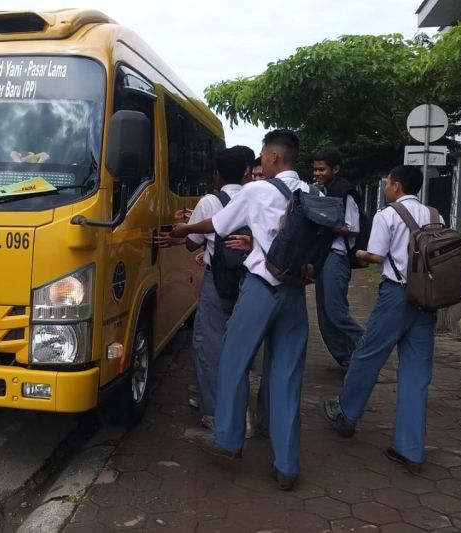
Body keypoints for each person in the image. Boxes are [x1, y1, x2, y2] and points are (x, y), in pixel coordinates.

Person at [170, 129, 311, 491]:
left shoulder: (257, 190)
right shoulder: (311, 193)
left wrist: (184, 227)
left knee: (233, 359)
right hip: (295, 293)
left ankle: (228, 440)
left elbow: (216, 225)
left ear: (275, 158)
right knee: (286, 374)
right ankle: (287, 464)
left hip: (262, 288)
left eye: (264, 155)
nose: (259, 162)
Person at [324, 165, 439, 474]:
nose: (386, 186)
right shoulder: (434, 215)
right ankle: (410, 450)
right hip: (427, 299)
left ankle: (346, 414)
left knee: (367, 355)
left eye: (388, 182)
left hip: (396, 296)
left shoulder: (386, 215)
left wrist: (359, 255)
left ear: (397, 186)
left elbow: (376, 256)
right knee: (416, 374)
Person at [183, 148, 248, 430]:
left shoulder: (210, 201)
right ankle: (241, 408)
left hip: (217, 281)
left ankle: (213, 412)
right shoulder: (255, 196)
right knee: (242, 345)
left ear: (216, 174)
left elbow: (191, 242)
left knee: (209, 344)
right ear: (246, 170)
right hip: (251, 280)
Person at [312, 148, 365, 370]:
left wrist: (326, 225)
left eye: (322, 169)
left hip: (336, 256)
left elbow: (353, 228)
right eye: (315, 169)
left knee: (336, 313)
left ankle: (369, 348)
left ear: (335, 169)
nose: (317, 173)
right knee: (324, 316)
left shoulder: (345, 192)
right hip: (323, 257)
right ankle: (347, 359)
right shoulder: (323, 191)